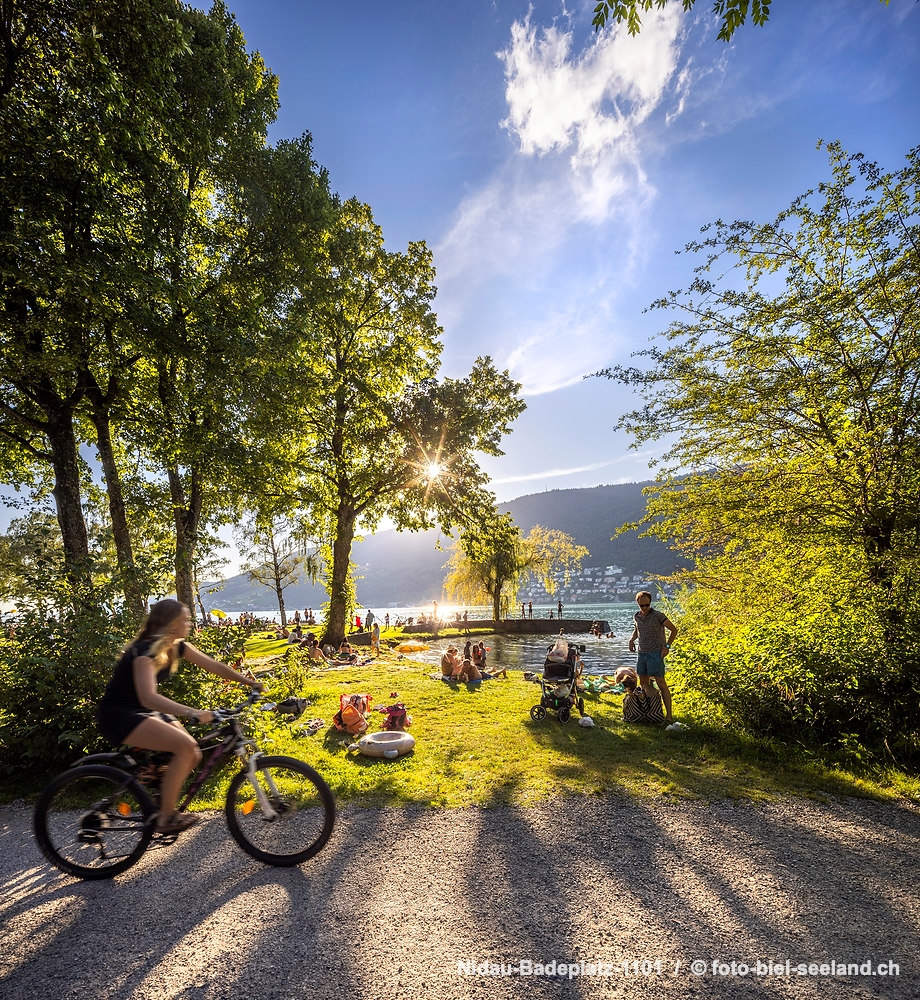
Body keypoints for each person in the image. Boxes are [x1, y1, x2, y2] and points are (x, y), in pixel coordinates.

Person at [96, 599, 263, 835]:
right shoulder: (143, 652)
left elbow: (214, 666)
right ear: (172, 624)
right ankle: (166, 818)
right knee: (186, 748)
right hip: (120, 714)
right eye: (185, 619)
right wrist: (192, 712)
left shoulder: (176, 646)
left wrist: (248, 681)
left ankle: (161, 796)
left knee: (193, 752)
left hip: (143, 712)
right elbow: (148, 698)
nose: (190, 622)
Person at [627, 591, 678, 724]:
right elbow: (637, 630)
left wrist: (667, 646)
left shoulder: (658, 615)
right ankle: (648, 713)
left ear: (650, 603)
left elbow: (674, 630)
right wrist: (632, 640)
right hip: (642, 653)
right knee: (644, 685)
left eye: (647, 605)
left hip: (656, 653)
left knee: (661, 683)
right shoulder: (637, 616)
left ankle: (669, 715)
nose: (644, 608)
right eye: (642, 605)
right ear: (638, 603)